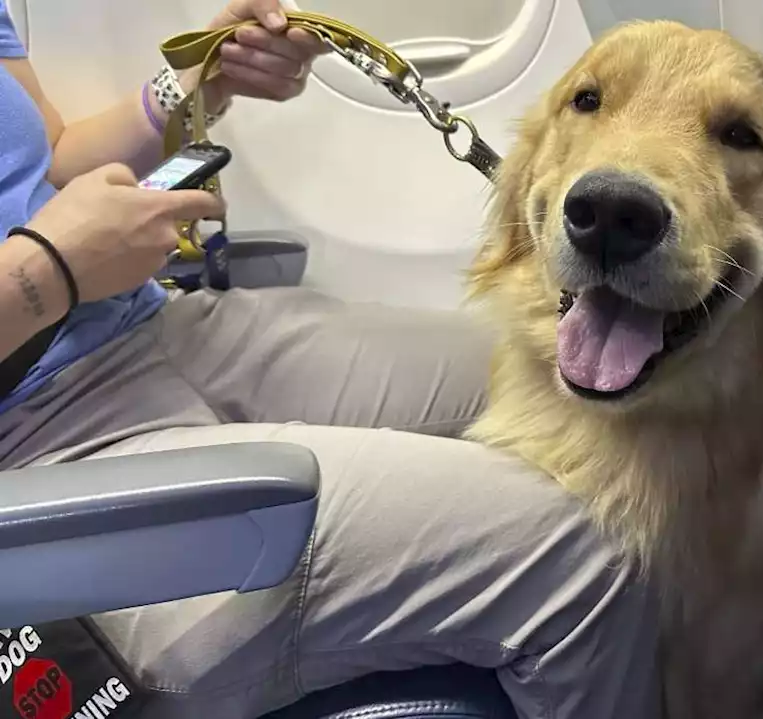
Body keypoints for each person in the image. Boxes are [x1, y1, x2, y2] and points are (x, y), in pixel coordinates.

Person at [0, 1, 659, 717]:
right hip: (40, 445)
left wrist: (196, 83)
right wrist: (48, 271)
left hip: (146, 328)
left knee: (572, 384)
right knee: (588, 559)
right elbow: (45, 249)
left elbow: (51, 157)